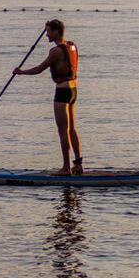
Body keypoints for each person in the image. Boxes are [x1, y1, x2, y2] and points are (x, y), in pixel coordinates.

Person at [14, 19, 83, 174]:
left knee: (62, 131)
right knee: (72, 129)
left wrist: (21, 72)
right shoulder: (72, 46)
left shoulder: (56, 51)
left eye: (49, 31)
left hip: (62, 93)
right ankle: (78, 165)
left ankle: (66, 168)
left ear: (56, 31)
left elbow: (40, 69)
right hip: (73, 91)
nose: (46, 35)